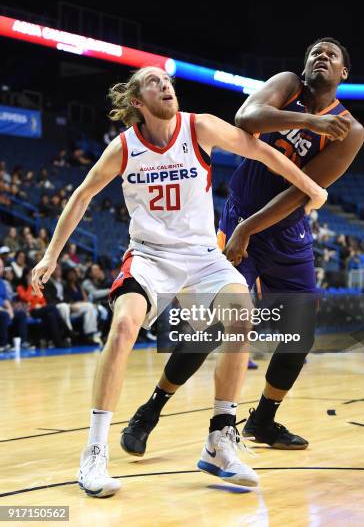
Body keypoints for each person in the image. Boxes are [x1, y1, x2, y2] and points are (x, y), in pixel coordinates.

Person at [31, 65, 327, 498]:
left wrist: (311, 188)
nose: (165, 85)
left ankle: (220, 438)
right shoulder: (125, 147)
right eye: (153, 82)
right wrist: (50, 255)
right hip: (149, 257)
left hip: (203, 256)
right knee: (125, 324)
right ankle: (94, 451)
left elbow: (260, 151)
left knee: (241, 313)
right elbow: (82, 196)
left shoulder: (198, 127)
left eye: (166, 81)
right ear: (137, 102)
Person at [124, 38, 364, 455]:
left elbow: (301, 191)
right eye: (314, 52)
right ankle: (151, 409)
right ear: (304, 66)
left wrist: (249, 231)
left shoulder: (351, 129)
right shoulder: (289, 86)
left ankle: (264, 420)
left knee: (299, 335)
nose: (321, 56)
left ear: (344, 73)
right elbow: (245, 117)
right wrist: (308, 123)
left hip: (284, 232)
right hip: (237, 215)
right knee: (212, 325)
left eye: (331, 54)